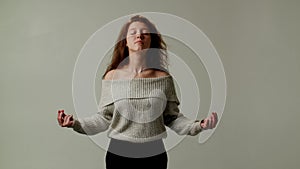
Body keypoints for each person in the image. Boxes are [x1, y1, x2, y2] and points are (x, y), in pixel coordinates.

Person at [57, 15, 218, 169]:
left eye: (145, 33)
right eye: (133, 32)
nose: (139, 36)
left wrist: (198, 126)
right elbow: (104, 118)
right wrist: (75, 124)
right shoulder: (111, 77)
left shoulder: (164, 78)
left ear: (151, 40)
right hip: (119, 154)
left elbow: (172, 118)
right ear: (125, 41)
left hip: (154, 154)